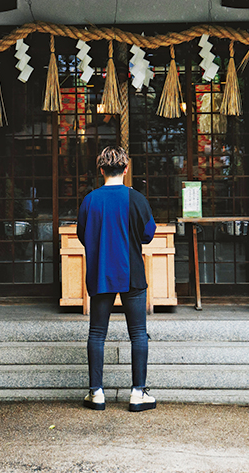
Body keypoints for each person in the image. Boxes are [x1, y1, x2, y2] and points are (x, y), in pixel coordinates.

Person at [77, 146, 157, 412]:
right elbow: (148, 235)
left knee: (97, 333)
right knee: (138, 334)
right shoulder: (136, 199)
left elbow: (82, 235)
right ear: (126, 169)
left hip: (100, 272)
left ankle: (96, 393)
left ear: (101, 170)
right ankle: (138, 393)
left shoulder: (90, 200)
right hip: (131, 271)